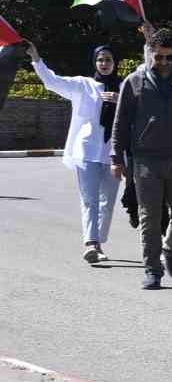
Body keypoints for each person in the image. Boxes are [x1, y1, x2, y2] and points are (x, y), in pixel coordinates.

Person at [108, 29, 172, 290]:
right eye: (159, 58)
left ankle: (170, 248)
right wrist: (116, 156)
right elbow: (121, 122)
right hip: (146, 159)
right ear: (150, 56)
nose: (164, 63)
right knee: (150, 216)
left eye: (169, 58)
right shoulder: (134, 81)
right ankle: (152, 269)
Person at [25, 41, 122, 263]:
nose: (104, 63)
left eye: (108, 59)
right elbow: (52, 82)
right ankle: (91, 243)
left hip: (113, 152)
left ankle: (99, 240)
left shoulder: (125, 86)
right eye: (100, 59)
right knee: (89, 199)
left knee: (107, 201)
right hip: (86, 150)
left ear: (115, 62)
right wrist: (36, 59)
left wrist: (120, 100)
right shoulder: (83, 85)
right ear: (94, 62)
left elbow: (143, 82)